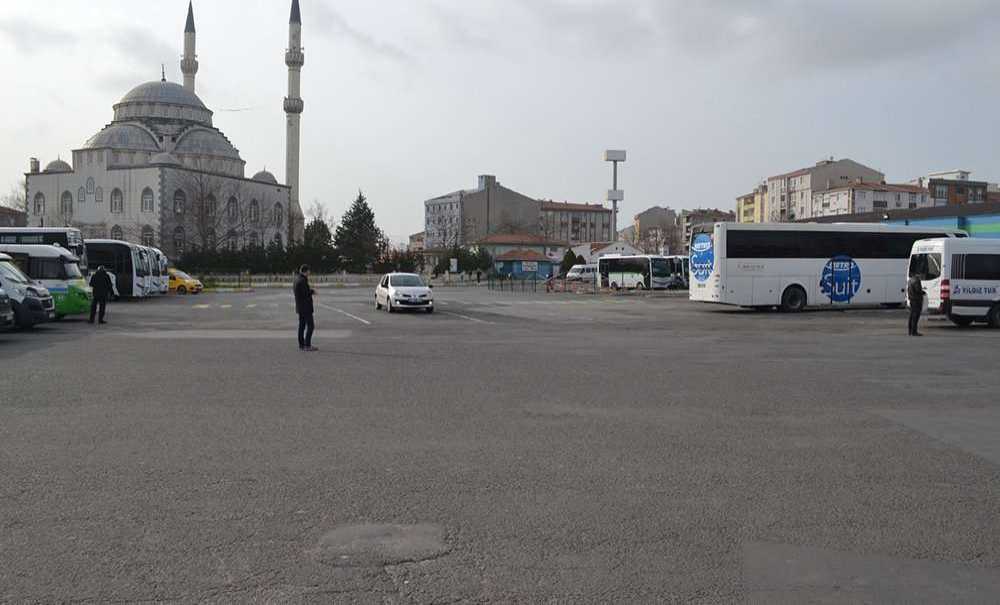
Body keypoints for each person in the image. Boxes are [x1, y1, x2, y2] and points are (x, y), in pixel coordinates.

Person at [293, 264, 317, 351]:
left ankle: (301, 344)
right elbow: (305, 293)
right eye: (309, 271)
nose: (309, 272)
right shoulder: (302, 280)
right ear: (306, 271)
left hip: (300, 307)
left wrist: (310, 291)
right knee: (311, 326)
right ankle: (307, 345)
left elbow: (302, 292)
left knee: (302, 326)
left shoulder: (296, 279)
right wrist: (312, 291)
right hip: (306, 307)